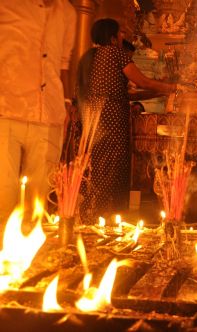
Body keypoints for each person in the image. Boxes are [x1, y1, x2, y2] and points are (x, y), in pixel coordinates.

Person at [77, 18, 176, 224]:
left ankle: (93, 214)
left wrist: (154, 93)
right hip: (112, 120)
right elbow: (142, 81)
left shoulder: (92, 57)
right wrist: (170, 88)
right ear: (111, 36)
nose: (124, 36)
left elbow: (124, 93)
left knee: (100, 166)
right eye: (121, 32)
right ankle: (109, 214)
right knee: (113, 165)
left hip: (95, 118)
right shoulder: (115, 53)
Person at [0, 0, 76, 225]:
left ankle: (32, 257)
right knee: (3, 197)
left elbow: (64, 64)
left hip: (49, 113)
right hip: (6, 110)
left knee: (38, 204)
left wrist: (66, 103)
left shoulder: (67, 12)